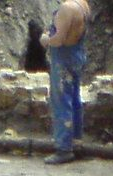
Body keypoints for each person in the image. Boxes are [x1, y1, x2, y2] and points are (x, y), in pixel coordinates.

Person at [38, 0, 90, 165]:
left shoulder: (67, 8)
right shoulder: (82, 4)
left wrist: (45, 39)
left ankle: (63, 149)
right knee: (74, 100)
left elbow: (59, 40)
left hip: (64, 59)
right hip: (76, 55)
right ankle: (76, 141)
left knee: (61, 101)